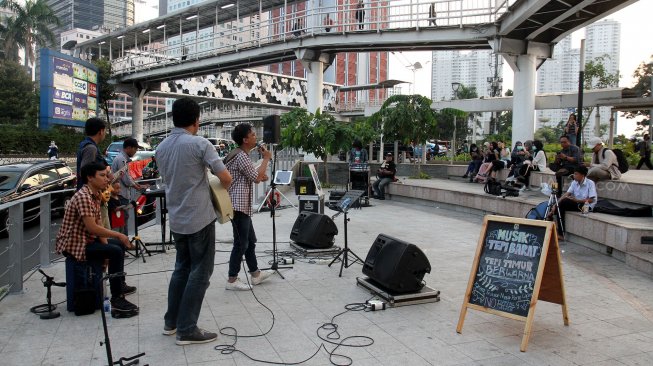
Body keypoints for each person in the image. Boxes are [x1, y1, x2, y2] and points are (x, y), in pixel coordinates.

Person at [156, 97, 233, 345]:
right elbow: (226, 177)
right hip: (199, 217)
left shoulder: (162, 147)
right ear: (196, 120)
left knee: (182, 269)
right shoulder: (200, 144)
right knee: (201, 272)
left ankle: (172, 322)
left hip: (177, 218)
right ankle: (187, 328)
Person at [55, 162, 138, 313]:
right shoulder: (83, 196)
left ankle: (119, 286)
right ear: (90, 178)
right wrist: (119, 235)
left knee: (116, 247)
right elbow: (92, 227)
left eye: (106, 175)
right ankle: (117, 298)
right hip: (76, 245)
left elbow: (99, 224)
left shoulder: (96, 194)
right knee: (116, 251)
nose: (107, 179)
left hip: (87, 240)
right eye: (102, 175)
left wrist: (106, 249)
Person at [223, 123, 273, 291]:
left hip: (241, 205)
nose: (255, 137)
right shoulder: (241, 156)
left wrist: (260, 174)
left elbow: (254, 176)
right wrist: (266, 158)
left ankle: (255, 274)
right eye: (252, 135)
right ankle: (232, 279)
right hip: (238, 205)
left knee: (250, 241)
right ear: (245, 140)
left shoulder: (238, 154)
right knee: (241, 243)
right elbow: (256, 178)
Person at [549, 165, 597, 238]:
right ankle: (559, 231)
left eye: (576, 174)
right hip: (576, 203)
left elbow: (591, 200)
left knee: (563, 203)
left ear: (582, 175)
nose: (574, 176)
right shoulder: (574, 182)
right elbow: (566, 194)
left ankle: (552, 220)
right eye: (574, 173)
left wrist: (577, 200)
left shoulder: (590, 183)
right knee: (557, 204)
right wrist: (556, 204)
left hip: (586, 206)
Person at [111, 138, 144, 234]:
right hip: (121, 194)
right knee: (123, 220)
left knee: (124, 219)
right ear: (129, 148)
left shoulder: (123, 158)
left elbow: (127, 176)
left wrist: (135, 184)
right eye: (135, 149)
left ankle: (124, 242)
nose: (136, 151)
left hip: (122, 193)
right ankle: (124, 243)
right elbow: (125, 179)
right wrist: (136, 186)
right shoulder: (121, 159)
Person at [77, 117, 108, 190]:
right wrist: (105, 171)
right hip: (89, 193)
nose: (105, 134)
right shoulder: (91, 148)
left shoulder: (86, 144)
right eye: (105, 131)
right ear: (101, 131)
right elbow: (84, 172)